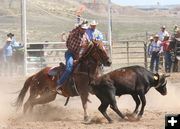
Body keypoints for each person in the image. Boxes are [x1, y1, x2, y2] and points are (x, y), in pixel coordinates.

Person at [56, 21, 90, 94]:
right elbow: (74, 30)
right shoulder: (74, 33)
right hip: (70, 53)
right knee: (69, 68)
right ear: (80, 28)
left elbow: (89, 44)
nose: (84, 30)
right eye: (83, 29)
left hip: (79, 55)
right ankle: (59, 84)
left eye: (85, 29)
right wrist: (80, 23)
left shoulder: (86, 36)